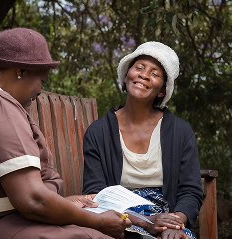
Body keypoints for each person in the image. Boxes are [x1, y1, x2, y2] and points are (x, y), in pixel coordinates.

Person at [0, 27, 132, 239]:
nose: (39, 91)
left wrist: (65, 203)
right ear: (20, 71)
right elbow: (33, 201)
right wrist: (99, 221)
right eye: (41, 80)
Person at [82, 42, 203, 239]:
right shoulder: (98, 132)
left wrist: (176, 222)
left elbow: (190, 190)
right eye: (139, 67)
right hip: (120, 217)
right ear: (127, 74)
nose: (144, 75)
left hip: (168, 217)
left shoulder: (180, 132)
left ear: (162, 90)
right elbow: (95, 195)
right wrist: (144, 221)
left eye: (155, 74)